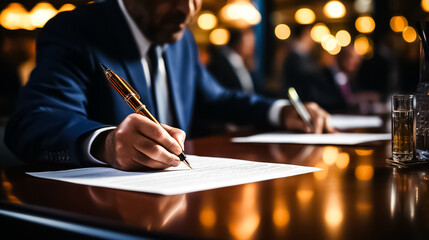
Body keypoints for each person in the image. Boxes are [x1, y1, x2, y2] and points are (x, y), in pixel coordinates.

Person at [4, 0, 334, 171]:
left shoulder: (182, 39)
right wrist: (107, 144)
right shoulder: (76, 30)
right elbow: (32, 122)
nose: (187, 9)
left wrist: (280, 111)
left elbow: (217, 98)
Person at [207, 27, 257, 94]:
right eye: (248, 41)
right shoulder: (220, 64)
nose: (252, 45)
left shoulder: (243, 63)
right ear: (238, 42)